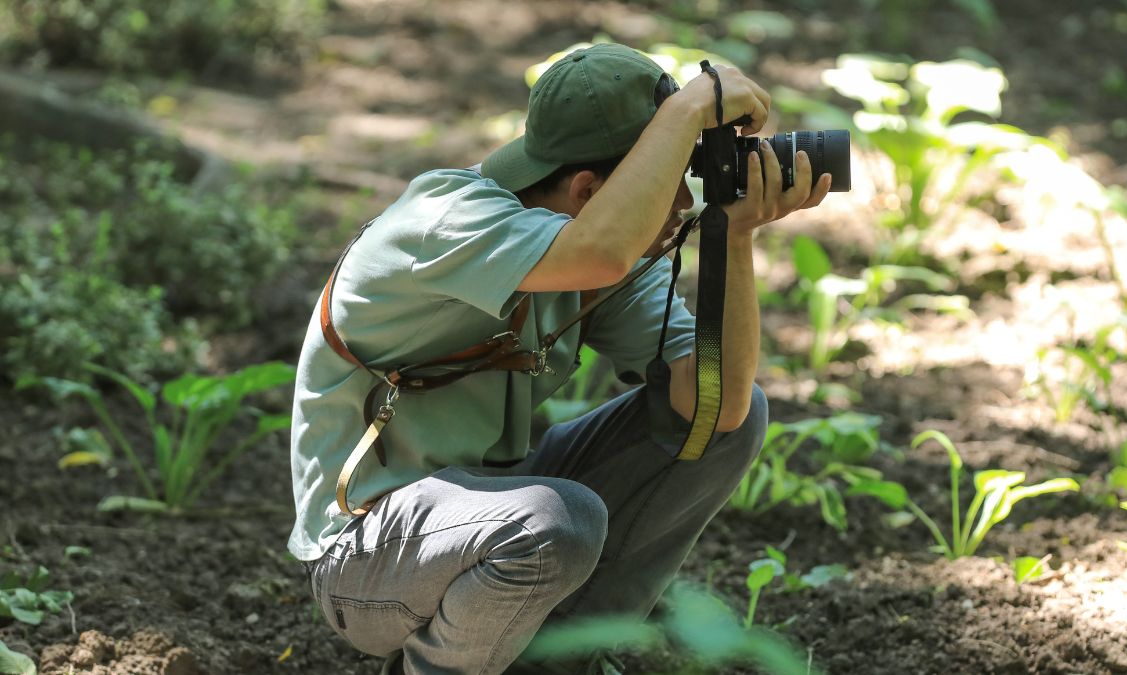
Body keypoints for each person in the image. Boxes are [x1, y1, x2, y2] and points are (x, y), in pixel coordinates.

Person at [288, 42, 832, 675]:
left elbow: (715, 405)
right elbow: (600, 251)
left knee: (729, 425)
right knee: (556, 523)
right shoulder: (447, 220)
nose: (684, 200)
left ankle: (554, 661)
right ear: (587, 190)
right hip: (366, 556)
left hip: (482, 516)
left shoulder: (596, 254)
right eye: (668, 179)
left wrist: (734, 237)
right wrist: (687, 111)